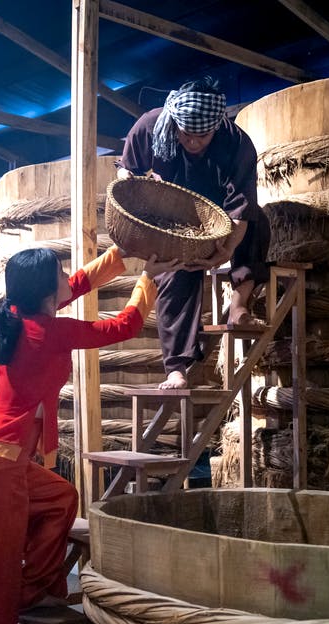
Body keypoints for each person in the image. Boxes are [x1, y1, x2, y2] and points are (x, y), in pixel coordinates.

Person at [0, 245, 180, 624]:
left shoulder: (18, 311)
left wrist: (125, 252)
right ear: (45, 294)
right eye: (59, 274)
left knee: (59, 499)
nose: (65, 278)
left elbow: (77, 284)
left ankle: (32, 591)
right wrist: (150, 277)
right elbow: (124, 326)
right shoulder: (49, 332)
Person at [117, 76, 270, 390]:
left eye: (203, 135)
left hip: (218, 210)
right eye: (186, 134)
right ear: (174, 122)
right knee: (177, 271)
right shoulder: (152, 125)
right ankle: (177, 368)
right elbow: (126, 171)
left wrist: (227, 250)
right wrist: (139, 201)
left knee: (258, 223)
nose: (194, 142)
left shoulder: (236, 143)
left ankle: (239, 305)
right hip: (171, 212)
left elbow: (241, 205)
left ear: (217, 125)